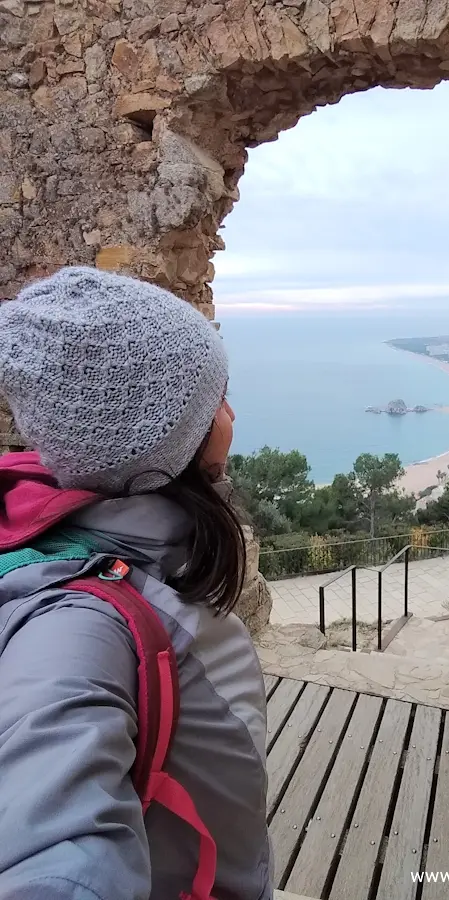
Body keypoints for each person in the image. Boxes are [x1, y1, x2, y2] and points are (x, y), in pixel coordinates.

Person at [0, 267, 272, 900]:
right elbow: (54, 847)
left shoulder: (126, 551)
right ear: (161, 442)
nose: (231, 415)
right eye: (216, 400)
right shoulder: (77, 626)